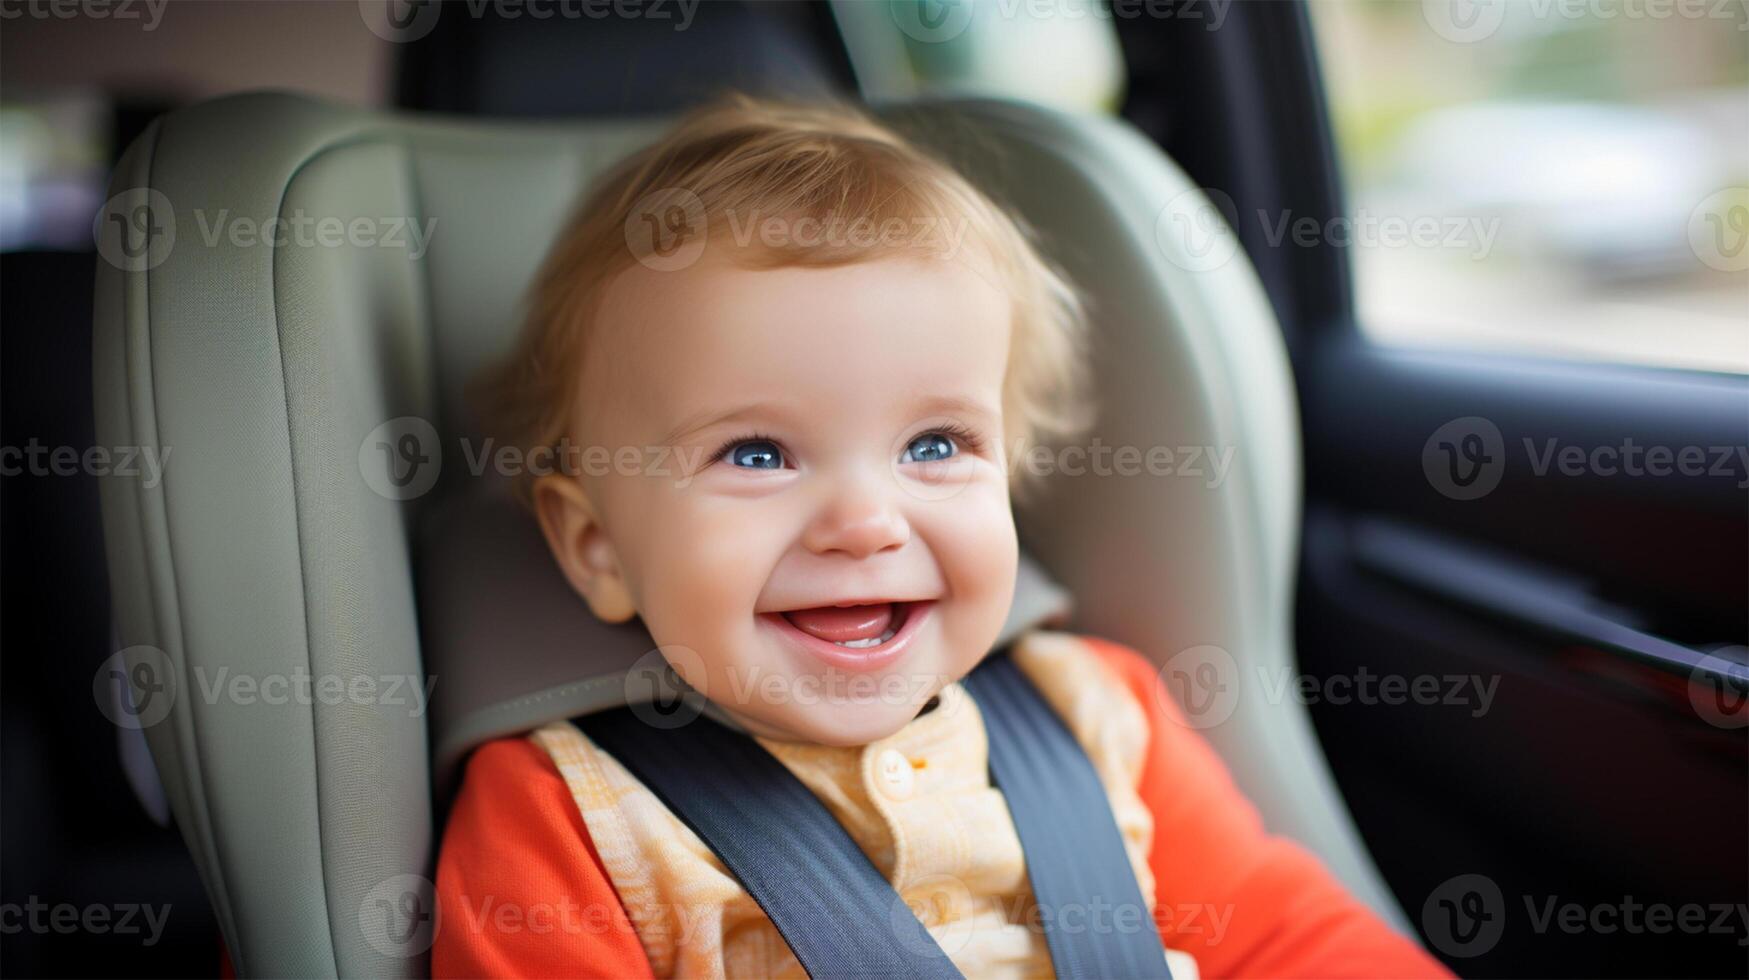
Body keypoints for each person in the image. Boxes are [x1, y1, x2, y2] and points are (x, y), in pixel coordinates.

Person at [433, 94, 1450, 979]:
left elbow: (1291, 941)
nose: (867, 522)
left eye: (934, 442)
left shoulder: (1095, 711)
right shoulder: (566, 814)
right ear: (596, 545)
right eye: (755, 454)